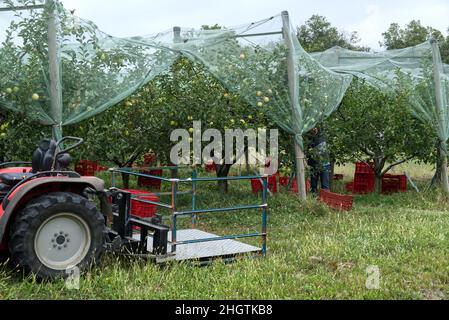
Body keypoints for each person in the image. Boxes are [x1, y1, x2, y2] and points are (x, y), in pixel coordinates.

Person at [306, 127, 331, 195]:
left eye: (315, 128)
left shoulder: (322, 136)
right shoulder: (309, 139)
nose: (313, 129)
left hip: (324, 164)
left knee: (325, 184)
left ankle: (325, 199)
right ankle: (314, 199)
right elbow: (308, 153)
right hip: (313, 164)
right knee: (313, 185)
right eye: (311, 128)